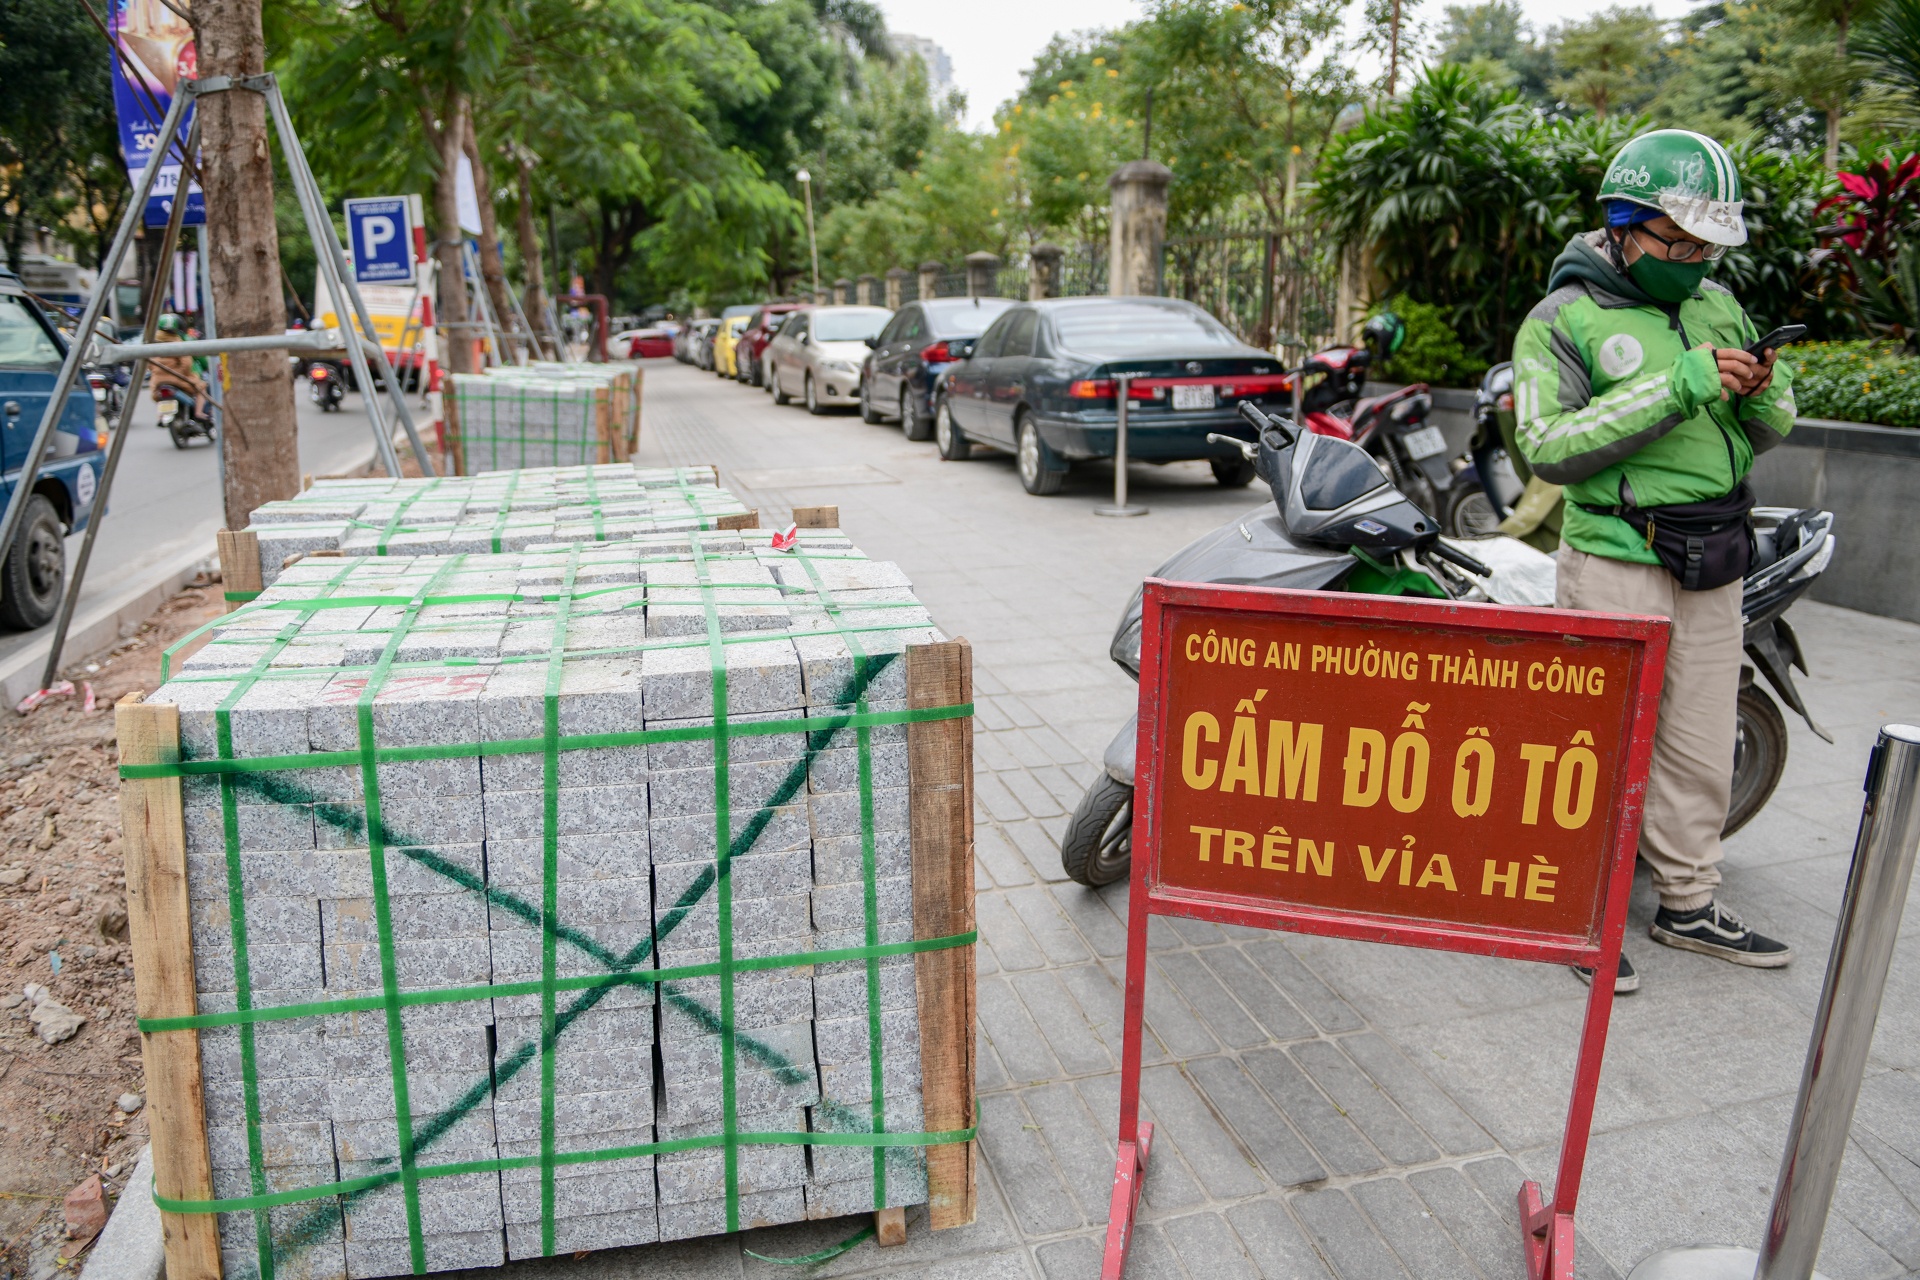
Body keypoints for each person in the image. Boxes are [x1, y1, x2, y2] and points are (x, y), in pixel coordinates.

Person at [1509, 129, 1798, 994]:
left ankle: (1688, 903)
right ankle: (1570, 906)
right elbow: (1548, 447)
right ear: (1627, 225)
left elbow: (1761, 433)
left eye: (1709, 245)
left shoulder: (1718, 305)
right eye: (1681, 242)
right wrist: (1679, 385)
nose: (1698, 260)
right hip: (1615, 557)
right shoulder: (1561, 319)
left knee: (1702, 741)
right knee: (1591, 746)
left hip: (1714, 554)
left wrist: (1764, 388)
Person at [148, 312, 210, 417]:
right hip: (178, 379)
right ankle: (199, 413)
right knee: (202, 387)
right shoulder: (178, 343)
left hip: (157, 382)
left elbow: (149, 365)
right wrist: (185, 374)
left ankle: (161, 416)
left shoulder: (152, 343)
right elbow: (187, 363)